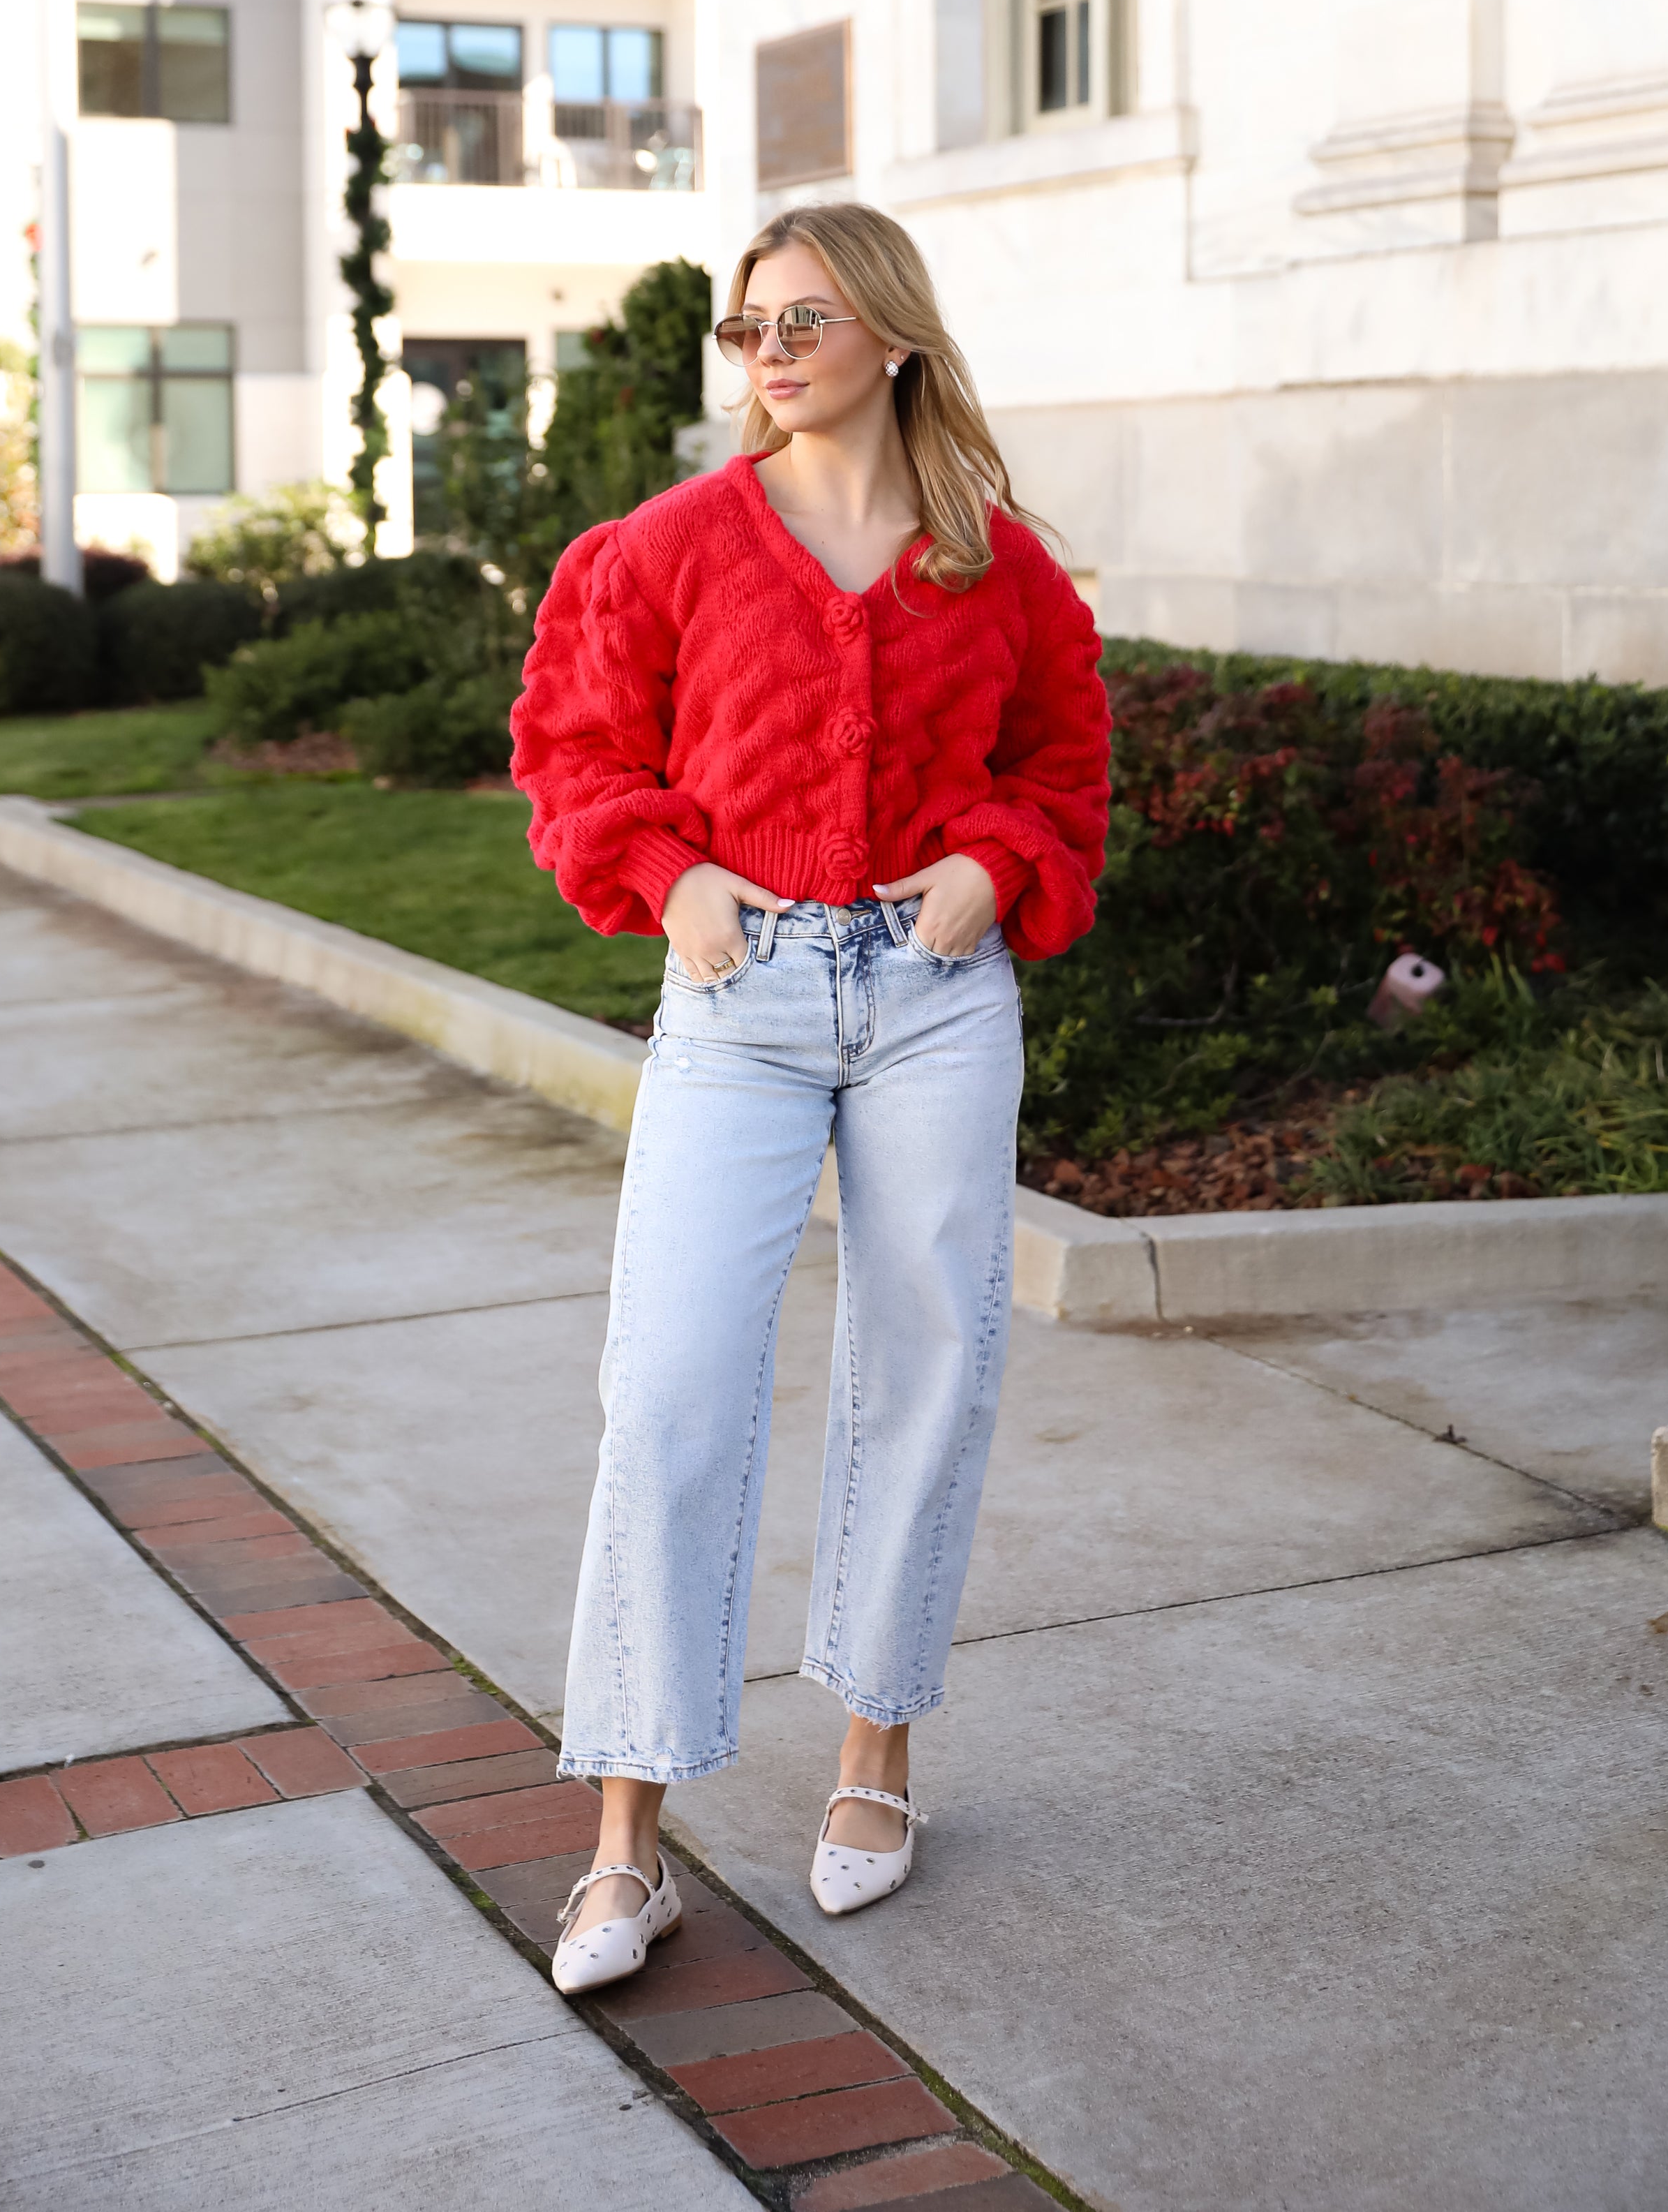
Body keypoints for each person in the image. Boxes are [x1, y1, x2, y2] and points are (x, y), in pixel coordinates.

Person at [510, 201, 1110, 1995]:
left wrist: (997, 861)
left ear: (893, 337)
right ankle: (628, 1838)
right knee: (674, 1383)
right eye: (747, 324)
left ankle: (876, 1757)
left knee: (926, 1363)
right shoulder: (670, 545)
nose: (768, 349)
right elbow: (573, 745)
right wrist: (666, 876)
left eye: (805, 317)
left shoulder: (997, 568)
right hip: (737, 992)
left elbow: (1062, 761)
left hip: (936, 1002)